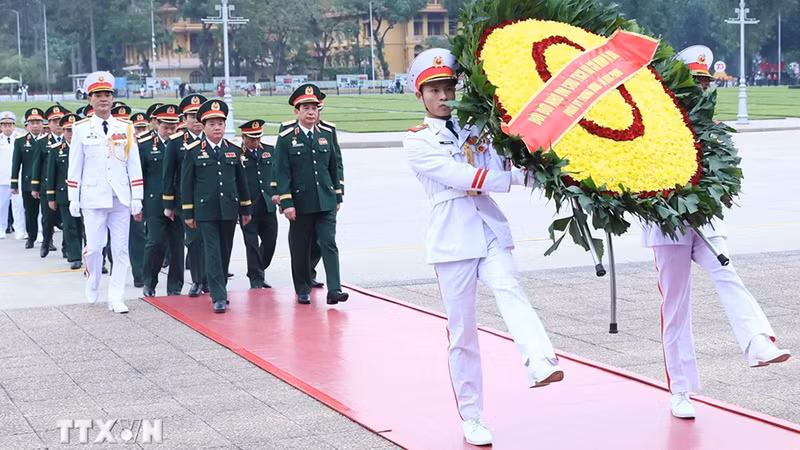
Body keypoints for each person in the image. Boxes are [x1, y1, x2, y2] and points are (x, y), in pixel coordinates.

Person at [403, 49, 563, 446]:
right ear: (420, 95)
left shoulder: (478, 130)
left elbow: (507, 167)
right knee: (462, 332)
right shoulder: (417, 141)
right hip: (452, 239)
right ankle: (472, 415)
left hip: (488, 228)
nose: (444, 96)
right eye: (435, 90)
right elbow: (460, 176)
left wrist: (546, 173)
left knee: (511, 290)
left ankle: (540, 361)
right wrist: (509, 179)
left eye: (449, 88)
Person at [641, 46, 792, 420]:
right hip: (667, 224)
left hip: (706, 221)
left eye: (705, 83)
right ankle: (680, 390)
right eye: (695, 82)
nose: (701, 89)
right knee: (675, 308)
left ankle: (758, 342)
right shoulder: (652, 126)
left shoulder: (714, 129)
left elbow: (725, 177)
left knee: (728, 274)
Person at [67, 71, 144, 313]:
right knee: (96, 248)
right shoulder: (80, 129)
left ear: (113, 99)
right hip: (93, 197)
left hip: (120, 196)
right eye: (98, 95)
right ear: (90, 99)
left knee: (120, 250)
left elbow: (133, 163)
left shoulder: (125, 127)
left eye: (107, 95)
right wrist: (73, 198)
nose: (103, 99)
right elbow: (75, 166)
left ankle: (116, 297)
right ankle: (93, 279)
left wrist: (137, 195)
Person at [275, 83, 347, 306]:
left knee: (329, 243)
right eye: (305, 108)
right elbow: (281, 170)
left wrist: (338, 194)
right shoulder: (287, 136)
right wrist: (286, 202)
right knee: (300, 246)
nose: (311, 112)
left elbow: (336, 166)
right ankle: (303, 287)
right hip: (300, 202)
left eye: (314, 108)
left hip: (325, 199)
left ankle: (335, 289)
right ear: (296, 111)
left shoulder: (327, 132)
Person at [180, 100, 251, 313]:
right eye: (212, 124)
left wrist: (245, 208)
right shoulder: (193, 151)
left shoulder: (233, 150)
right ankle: (218, 296)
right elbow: (186, 184)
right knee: (211, 251)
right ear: (203, 126)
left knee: (225, 250)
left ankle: (221, 287)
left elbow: (241, 182)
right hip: (205, 210)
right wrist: (188, 213)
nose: (217, 127)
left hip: (228, 208)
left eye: (220, 123)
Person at [164, 94, 208, 297]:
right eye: (192, 116)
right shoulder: (176, 142)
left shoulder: (214, 139)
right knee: (194, 241)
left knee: (212, 242)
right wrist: (169, 204)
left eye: (200, 116)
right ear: (184, 119)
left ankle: (211, 279)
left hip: (210, 201)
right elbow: (169, 173)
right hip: (186, 202)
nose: (197, 120)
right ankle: (198, 280)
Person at [140, 104, 184, 297]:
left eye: (173, 127)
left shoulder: (183, 144)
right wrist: (137, 203)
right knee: (155, 242)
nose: (169, 131)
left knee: (177, 246)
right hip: (154, 202)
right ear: (156, 123)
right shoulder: (145, 145)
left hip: (179, 202)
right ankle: (149, 280)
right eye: (165, 126)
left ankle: (174, 287)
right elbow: (139, 176)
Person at [238, 119, 278, 289]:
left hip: (268, 205)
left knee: (270, 243)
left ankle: (257, 269)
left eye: (258, 138)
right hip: (248, 207)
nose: (255, 142)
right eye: (251, 138)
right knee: (252, 244)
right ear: (244, 136)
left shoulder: (269, 151)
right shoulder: (237, 154)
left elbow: (276, 175)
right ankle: (256, 279)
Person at [45, 113, 83, 269]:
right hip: (64, 193)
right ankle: (75, 256)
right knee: (69, 225)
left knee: (83, 227)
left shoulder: (85, 147)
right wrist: (50, 196)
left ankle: (85, 253)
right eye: (68, 130)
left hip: (84, 193)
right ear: (63, 131)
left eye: (74, 130)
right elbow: (51, 174)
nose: (71, 134)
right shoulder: (56, 150)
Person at [33, 105, 69, 258]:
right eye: (54, 121)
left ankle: (66, 247)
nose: (57, 124)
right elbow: (37, 165)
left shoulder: (70, 140)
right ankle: (47, 241)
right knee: (48, 219)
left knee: (68, 221)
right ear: (49, 123)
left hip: (65, 185)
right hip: (47, 186)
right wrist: (35, 187)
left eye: (60, 120)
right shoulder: (42, 142)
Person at [11, 108, 48, 249]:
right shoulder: (21, 141)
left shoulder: (48, 140)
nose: (35, 125)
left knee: (46, 213)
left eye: (38, 122)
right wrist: (14, 182)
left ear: (43, 123)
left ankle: (46, 238)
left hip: (45, 183)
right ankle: (31, 236)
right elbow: (16, 163)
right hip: (28, 182)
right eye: (32, 122)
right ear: (27, 124)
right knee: (30, 212)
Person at [0, 112, 25, 240]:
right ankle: (1, 228)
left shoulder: (20, 139)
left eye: (10, 125)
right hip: (2, 177)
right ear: (1, 127)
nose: (7, 127)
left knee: (18, 205)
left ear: (14, 126)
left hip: (17, 177)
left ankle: (20, 230)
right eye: (4, 125)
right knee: (1, 205)